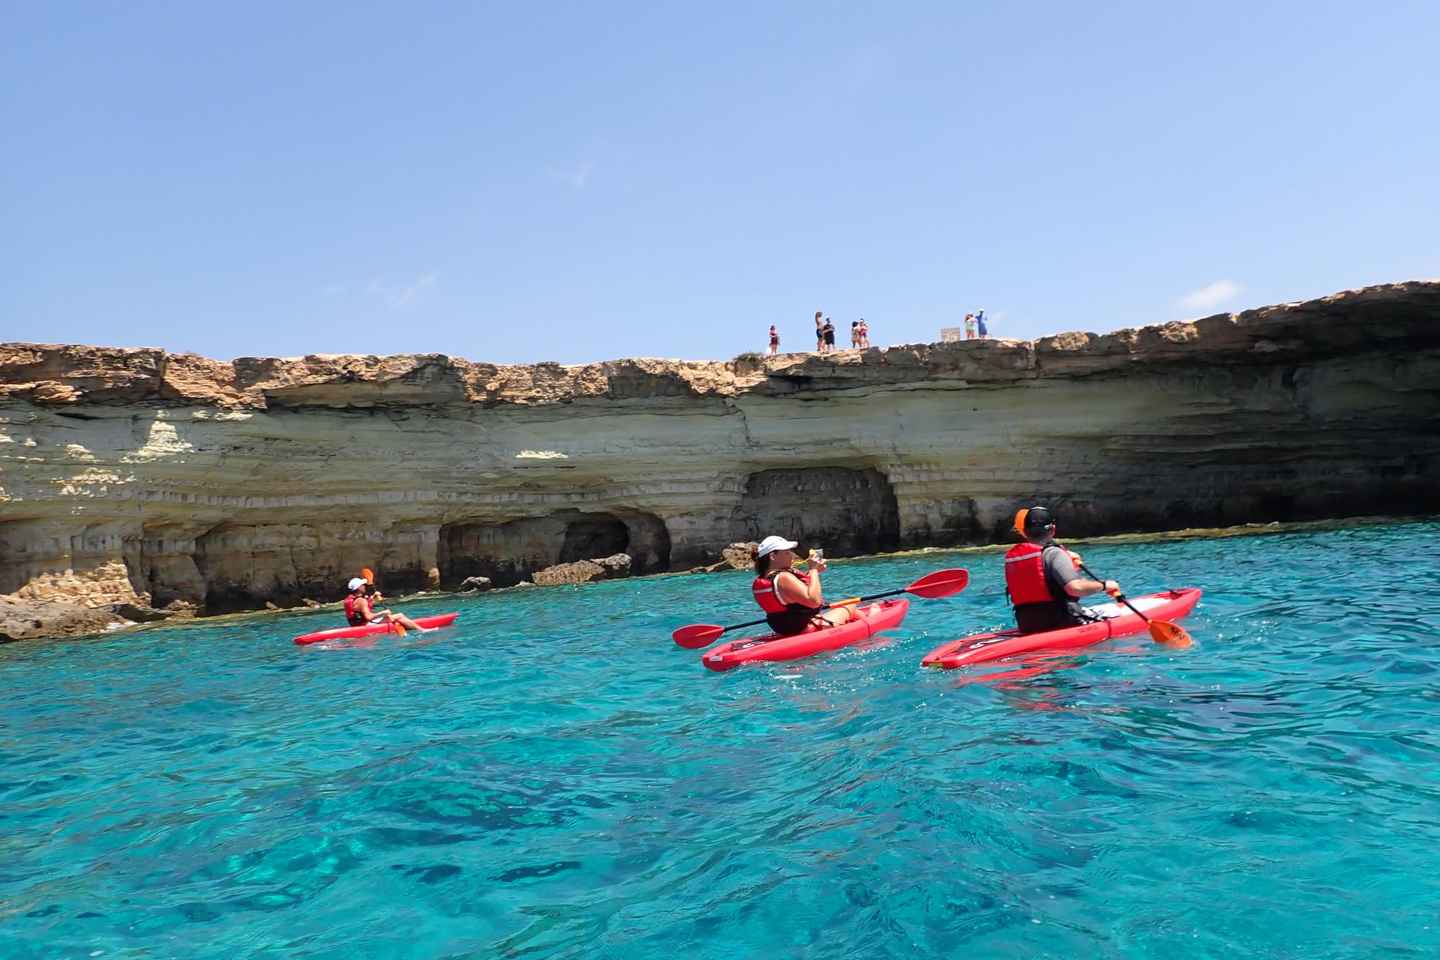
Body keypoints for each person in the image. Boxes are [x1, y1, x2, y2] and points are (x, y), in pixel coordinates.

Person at [1004, 507, 1121, 634]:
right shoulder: (1054, 554)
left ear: (1025, 532)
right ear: (1053, 529)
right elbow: (1075, 588)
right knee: (1114, 611)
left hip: (1027, 625)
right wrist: (1105, 585)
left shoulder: (1012, 558)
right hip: (1061, 621)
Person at [751, 535, 855, 635]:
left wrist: (814, 572)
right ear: (773, 556)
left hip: (785, 630)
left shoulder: (763, 580)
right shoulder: (783, 577)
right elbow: (814, 601)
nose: (792, 555)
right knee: (850, 605)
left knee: (840, 608)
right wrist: (813, 570)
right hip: (806, 629)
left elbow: (793, 592)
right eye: (787, 552)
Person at [344, 577, 429, 632]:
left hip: (356, 626)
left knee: (394, 618)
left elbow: (361, 609)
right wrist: (383, 613)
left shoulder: (350, 600)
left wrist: (372, 598)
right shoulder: (362, 601)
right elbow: (368, 617)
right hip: (366, 625)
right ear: (359, 588)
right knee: (400, 615)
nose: (364, 586)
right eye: (363, 585)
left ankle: (408, 626)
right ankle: (422, 630)